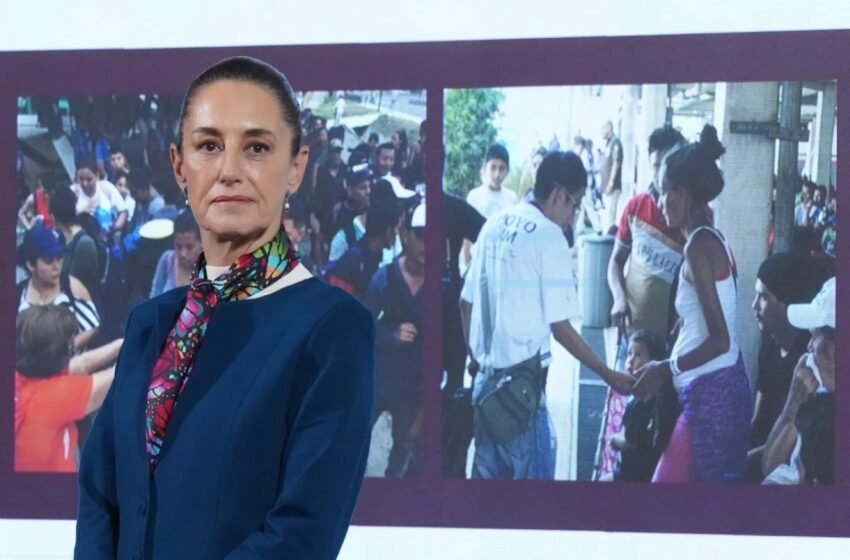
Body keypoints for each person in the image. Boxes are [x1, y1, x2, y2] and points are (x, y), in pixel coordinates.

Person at [75, 56, 375, 560]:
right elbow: (102, 495)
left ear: (296, 166)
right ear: (179, 166)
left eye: (256, 147)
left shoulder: (333, 329)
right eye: (209, 145)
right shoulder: (150, 323)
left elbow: (302, 532)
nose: (229, 170)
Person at [459, 151, 632, 480]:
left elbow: (463, 303)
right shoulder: (549, 235)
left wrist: (476, 357)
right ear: (558, 195)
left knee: (484, 503)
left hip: (483, 389)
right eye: (575, 204)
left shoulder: (494, 225)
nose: (572, 217)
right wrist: (607, 373)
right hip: (520, 396)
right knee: (533, 507)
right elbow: (561, 329)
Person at [633, 125, 752, 483]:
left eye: (665, 192)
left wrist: (665, 367)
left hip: (712, 402)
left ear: (683, 195)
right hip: (713, 395)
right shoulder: (709, 240)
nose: (659, 201)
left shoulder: (698, 247)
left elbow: (721, 339)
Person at [597, 126, 686, 479]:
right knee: (620, 413)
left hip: (666, 349)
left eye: (664, 165)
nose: (657, 176)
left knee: (654, 427)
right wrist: (619, 298)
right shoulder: (635, 206)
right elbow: (615, 263)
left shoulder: (694, 221)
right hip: (631, 340)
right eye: (654, 166)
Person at [15, 305, 117, 473]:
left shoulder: (23, 376)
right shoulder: (52, 398)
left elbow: (82, 363)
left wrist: (124, 342)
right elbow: (117, 375)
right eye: (69, 346)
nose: (72, 349)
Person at [364, 202, 426, 477]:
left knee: (401, 468)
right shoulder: (384, 278)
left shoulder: (442, 285)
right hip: (379, 385)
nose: (426, 245)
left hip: (413, 395)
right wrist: (391, 336)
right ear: (406, 235)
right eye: (420, 236)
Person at [748, 253, 824, 471]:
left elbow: (793, 444)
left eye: (764, 297)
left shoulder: (810, 362)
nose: (754, 306)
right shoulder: (769, 347)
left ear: (789, 303)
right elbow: (758, 419)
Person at [762, 277, 834, 485]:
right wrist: (794, 404)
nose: (809, 347)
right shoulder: (818, 392)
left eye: (816, 337)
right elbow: (770, 467)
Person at [441, 192, 486, 478]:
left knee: (455, 384)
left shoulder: (454, 207)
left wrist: (470, 276)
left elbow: (486, 233)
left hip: (449, 304)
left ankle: (453, 460)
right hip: (417, 304)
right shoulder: (414, 203)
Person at [16, 226, 100, 351]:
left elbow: (93, 326)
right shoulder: (17, 295)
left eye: (59, 258)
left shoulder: (72, 287)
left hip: (69, 365)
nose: (57, 266)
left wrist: (68, 347)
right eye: (49, 261)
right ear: (31, 265)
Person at [604, 329, 666, 482]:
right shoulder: (648, 395)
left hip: (635, 474)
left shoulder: (642, 401)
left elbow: (629, 442)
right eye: (629, 354)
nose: (630, 360)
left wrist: (614, 439)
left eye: (638, 355)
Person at [324, 195, 402, 299]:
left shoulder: (378, 256)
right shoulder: (351, 262)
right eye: (396, 229)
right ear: (388, 231)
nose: (397, 234)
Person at [149, 211, 204, 297]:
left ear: (202, 244)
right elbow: (155, 296)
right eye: (178, 246)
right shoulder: (167, 260)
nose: (183, 254)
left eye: (189, 247)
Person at [70, 157, 128, 235]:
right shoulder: (72, 192)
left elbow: (123, 212)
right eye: (81, 179)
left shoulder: (107, 188)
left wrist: (114, 227)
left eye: (89, 179)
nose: (85, 184)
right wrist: (80, 214)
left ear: (96, 175)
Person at [465, 144, 517, 219]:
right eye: (493, 168)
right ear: (485, 168)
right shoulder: (474, 196)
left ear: (507, 171)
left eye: (501, 169)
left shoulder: (512, 198)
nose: (497, 174)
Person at [599, 120, 624, 233]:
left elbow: (616, 162)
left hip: (612, 187)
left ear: (609, 128)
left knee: (610, 214)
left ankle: (608, 239)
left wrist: (611, 182)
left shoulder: (616, 142)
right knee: (607, 213)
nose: (601, 132)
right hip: (606, 187)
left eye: (603, 129)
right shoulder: (608, 143)